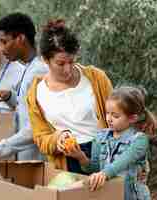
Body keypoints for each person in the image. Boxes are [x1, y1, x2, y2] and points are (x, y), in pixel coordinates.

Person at [26, 19, 113, 172]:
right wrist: (57, 139)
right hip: (66, 163)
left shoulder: (97, 79)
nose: (67, 69)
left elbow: (120, 115)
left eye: (71, 61)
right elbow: (40, 138)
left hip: (103, 156)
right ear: (45, 60)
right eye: (60, 63)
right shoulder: (36, 93)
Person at [66, 86, 156, 200]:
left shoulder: (139, 140)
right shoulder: (100, 137)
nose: (109, 119)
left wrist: (103, 174)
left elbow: (121, 162)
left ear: (132, 118)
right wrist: (81, 157)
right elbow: (95, 168)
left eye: (115, 116)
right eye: (107, 113)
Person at [0, 13, 49, 160]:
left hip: (38, 160)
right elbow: (28, 108)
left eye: (4, 42)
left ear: (20, 38)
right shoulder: (29, 68)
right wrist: (10, 97)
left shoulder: (38, 72)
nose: (2, 49)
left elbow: (36, 126)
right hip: (28, 157)